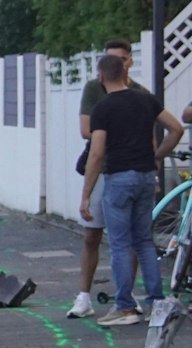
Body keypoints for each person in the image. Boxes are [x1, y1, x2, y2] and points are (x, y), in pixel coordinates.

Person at [80, 52, 183, 327]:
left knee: (120, 244)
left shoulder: (103, 108)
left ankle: (125, 306)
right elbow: (175, 128)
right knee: (144, 241)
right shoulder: (145, 100)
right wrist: (157, 156)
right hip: (146, 176)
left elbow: (97, 153)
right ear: (124, 73)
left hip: (119, 178)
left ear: (101, 77)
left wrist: (86, 193)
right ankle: (156, 303)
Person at [70, 40, 134, 319]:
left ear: (128, 62)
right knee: (92, 233)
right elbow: (86, 130)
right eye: (109, 61)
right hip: (102, 169)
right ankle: (83, 296)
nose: (113, 66)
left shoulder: (140, 93)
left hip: (126, 169)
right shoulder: (94, 89)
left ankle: (127, 298)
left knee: (130, 238)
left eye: (119, 60)